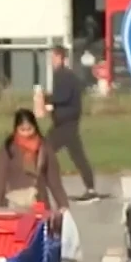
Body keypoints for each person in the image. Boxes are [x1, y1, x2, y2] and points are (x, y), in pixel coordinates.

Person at [45, 45, 101, 201]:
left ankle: (36, 186)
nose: (52, 60)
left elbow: (62, 97)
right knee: (77, 156)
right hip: (64, 123)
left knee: (43, 151)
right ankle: (90, 188)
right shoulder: (64, 75)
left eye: (54, 57)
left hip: (65, 124)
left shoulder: (64, 75)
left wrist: (46, 98)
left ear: (61, 58)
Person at [0, 109, 72, 212]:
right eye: (22, 130)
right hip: (14, 205)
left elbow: (54, 181)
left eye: (29, 129)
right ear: (16, 129)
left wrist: (63, 205)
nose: (26, 133)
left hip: (39, 203)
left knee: (38, 227)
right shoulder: (8, 148)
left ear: (35, 127)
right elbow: (0, 183)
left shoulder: (44, 147)